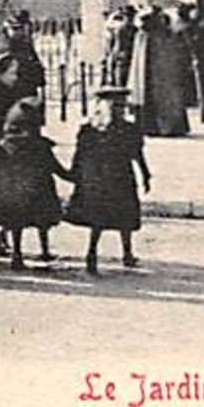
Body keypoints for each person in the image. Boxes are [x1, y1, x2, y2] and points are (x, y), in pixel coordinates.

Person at [64, 86, 152, 275]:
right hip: (115, 178)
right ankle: (111, 254)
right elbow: (137, 154)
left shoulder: (90, 129)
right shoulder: (125, 129)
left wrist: (145, 174)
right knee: (120, 217)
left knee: (105, 219)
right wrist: (145, 175)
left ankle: (101, 254)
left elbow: (136, 153)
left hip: (104, 179)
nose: (119, 110)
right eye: (117, 106)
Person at [0, 98, 70, 269]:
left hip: (14, 192)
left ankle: (17, 255)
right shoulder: (40, 146)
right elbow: (56, 168)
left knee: (16, 221)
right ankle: (44, 250)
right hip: (40, 189)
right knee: (43, 220)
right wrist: (77, 177)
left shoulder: (3, 147)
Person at [128, 5, 190, 137]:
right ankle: (160, 127)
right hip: (161, 75)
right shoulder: (152, 35)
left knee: (159, 95)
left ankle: (157, 127)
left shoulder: (148, 35)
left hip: (161, 75)